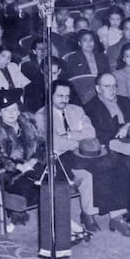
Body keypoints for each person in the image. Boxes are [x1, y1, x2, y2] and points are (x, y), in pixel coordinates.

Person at [33, 79, 99, 242]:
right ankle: (82, 218)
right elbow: (53, 142)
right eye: (60, 96)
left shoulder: (77, 110)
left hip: (79, 155)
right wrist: (79, 142)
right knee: (87, 174)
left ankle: (89, 212)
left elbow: (91, 133)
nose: (64, 100)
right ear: (50, 96)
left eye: (67, 96)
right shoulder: (42, 116)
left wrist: (69, 135)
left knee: (98, 170)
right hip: (58, 159)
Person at [83, 73, 130, 237]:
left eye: (114, 86)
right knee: (119, 164)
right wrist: (117, 138)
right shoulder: (91, 107)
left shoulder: (124, 100)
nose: (112, 90)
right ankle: (117, 215)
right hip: (107, 146)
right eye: (107, 86)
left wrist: (127, 125)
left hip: (129, 140)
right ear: (98, 89)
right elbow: (95, 134)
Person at [0, 89, 45, 231]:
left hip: (33, 166)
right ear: (0, 113)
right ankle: (16, 209)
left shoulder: (28, 123)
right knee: (30, 187)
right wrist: (18, 166)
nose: (11, 113)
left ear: (19, 110)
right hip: (8, 173)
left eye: (14, 109)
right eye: (6, 110)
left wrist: (34, 160)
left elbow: (42, 144)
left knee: (55, 177)